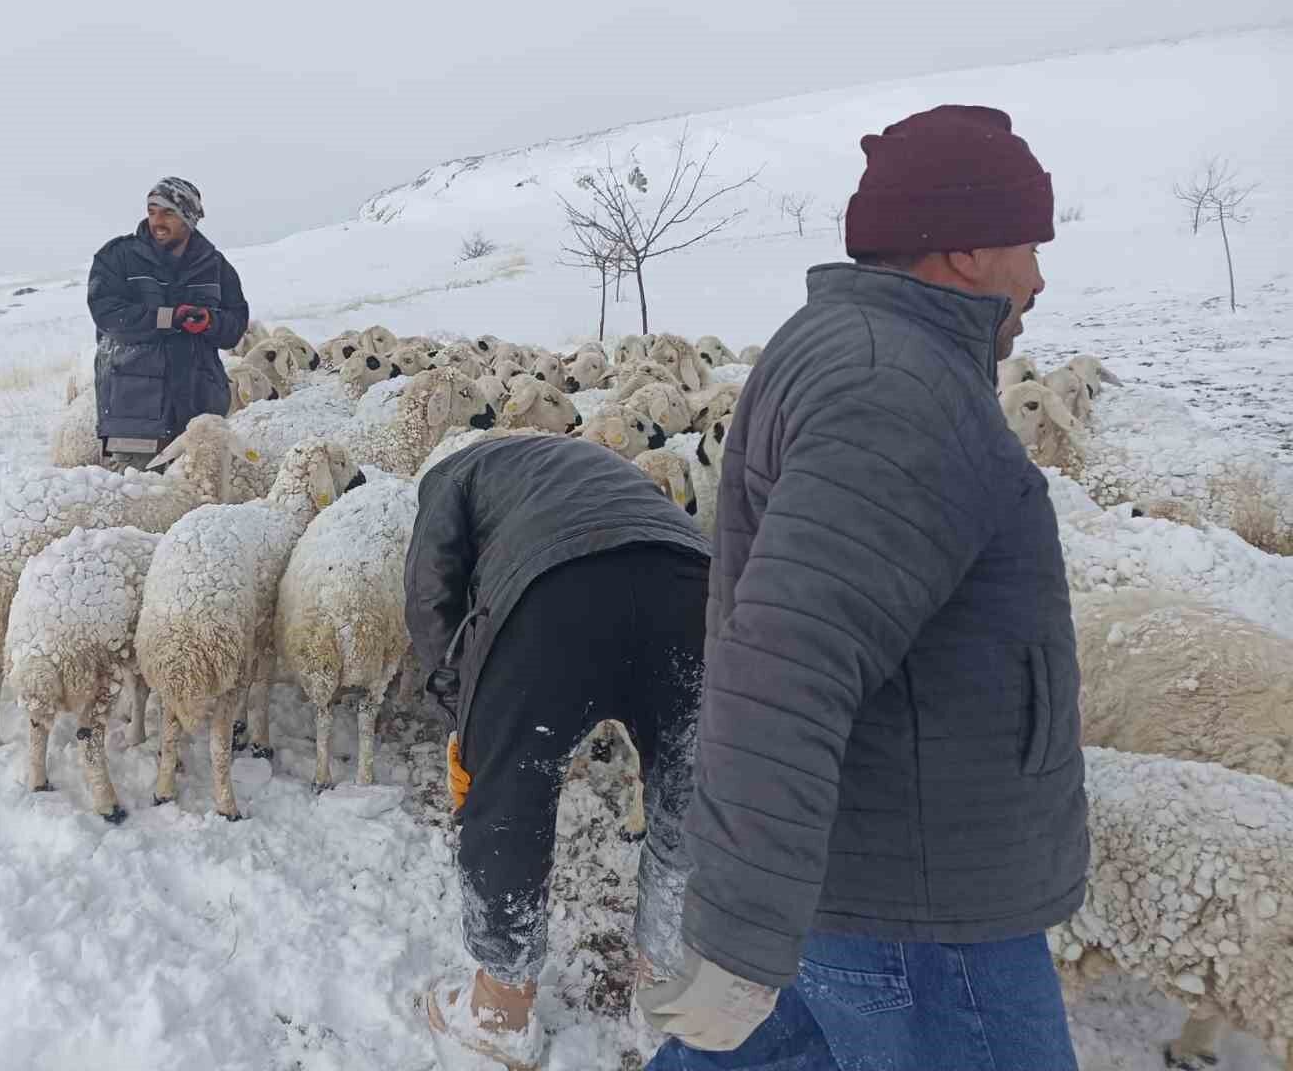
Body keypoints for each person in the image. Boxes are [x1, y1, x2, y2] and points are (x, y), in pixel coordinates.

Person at [641, 105, 1088, 1071]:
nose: (1041, 276)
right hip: (924, 912)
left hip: (863, 869)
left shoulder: (853, 348)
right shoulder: (898, 387)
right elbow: (789, 659)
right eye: (1028, 243)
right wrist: (742, 936)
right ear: (965, 248)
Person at [405, 434, 711, 1071]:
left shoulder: (450, 476)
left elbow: (432, 593)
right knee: (691, 793)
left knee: (511, 799)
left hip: (554, 602)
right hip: (693, 592)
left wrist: (462, 715)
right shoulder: (599, 468)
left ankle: (499, 1008)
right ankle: (669, 985)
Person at [87, 177, 249, 467]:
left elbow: (235, 326)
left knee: (201, 502)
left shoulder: (215, 266)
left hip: (200, 411)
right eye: (152, 211)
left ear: (189, 216)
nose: (157, 221)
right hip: (136, 412)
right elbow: (108, 314)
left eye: (168, 212)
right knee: (141, 503)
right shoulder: (117, 258)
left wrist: (210, 322)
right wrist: (169, 318)